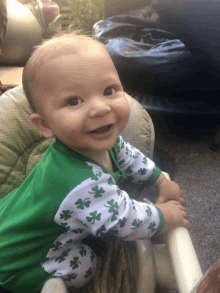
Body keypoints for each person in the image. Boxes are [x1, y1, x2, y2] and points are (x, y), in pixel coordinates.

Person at [0, 31, 191, 293]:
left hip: (17, 223)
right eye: (73, 101)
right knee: (86, 264)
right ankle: (47, 285)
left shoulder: (98, 139)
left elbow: (127, 155)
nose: (100, 108)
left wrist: (157, 179)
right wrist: (164, 216)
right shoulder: (80, 182)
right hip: (19, 262)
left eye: (109, 90)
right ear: (44, 125)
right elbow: (125, 220)